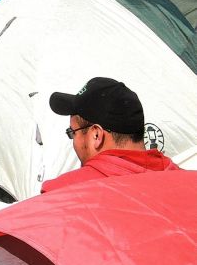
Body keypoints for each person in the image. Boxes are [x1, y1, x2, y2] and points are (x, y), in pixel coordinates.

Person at [42, 77, 180, 193]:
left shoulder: (61, 194)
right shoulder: (186, 182)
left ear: (96, 135)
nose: (73, 141)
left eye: (72, 132)